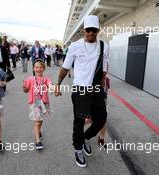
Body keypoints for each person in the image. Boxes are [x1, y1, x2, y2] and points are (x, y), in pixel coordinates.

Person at [54, 15, 109, 168]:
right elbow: (65, 68)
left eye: (94, 30)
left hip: (96, 88)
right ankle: (78, 148)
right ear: (84, 30)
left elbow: (104, 67)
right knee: (79, 121)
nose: (91, 33)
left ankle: (85, 137)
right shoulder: (75, 46)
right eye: (89, 30)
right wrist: (58, 84)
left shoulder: (104, 46)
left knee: (101, 118)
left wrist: (103, 82)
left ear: (98, 30)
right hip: (80, 88)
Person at [23, 59, 53, 150]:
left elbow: (50, 85)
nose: (38, 69)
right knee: (37, 122)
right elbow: (26, 90)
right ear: (33, 68)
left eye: (40, 67)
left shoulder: (46, 79)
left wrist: (53, 87)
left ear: (43, 68)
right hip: (34, 103)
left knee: (40, 120)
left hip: (43, 103)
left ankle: (39, 131)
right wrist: (24, 87)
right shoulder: (30, 79)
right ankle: (37, 141)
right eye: (36, 67)